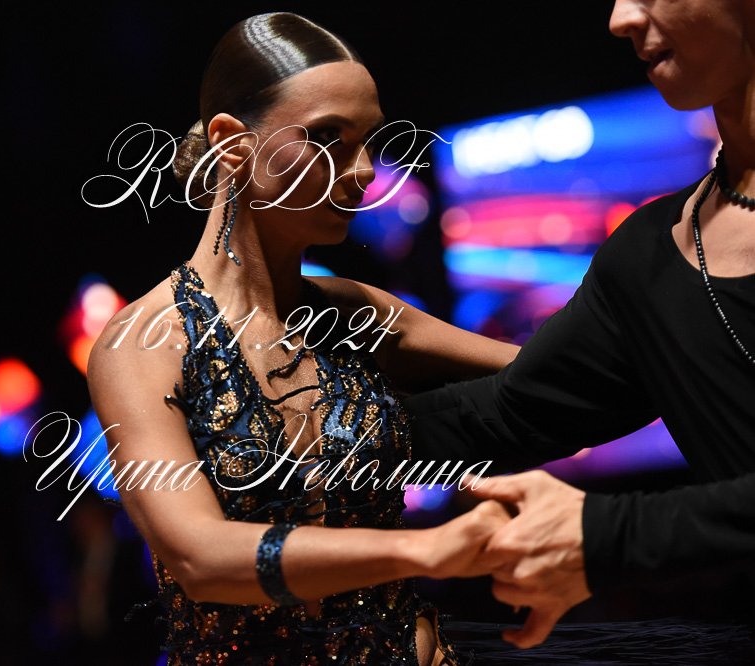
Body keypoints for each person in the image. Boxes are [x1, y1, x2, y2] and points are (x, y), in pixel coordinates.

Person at [86, 12, 523, 666]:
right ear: (233, 144)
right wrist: (425, 548)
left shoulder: (355, 312)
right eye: (328, 139)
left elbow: (555, 371)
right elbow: (199, 556)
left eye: (367, 141)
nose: (364, 171)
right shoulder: (143, 344)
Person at [402, 0, 755, 654]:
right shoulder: (649, 253)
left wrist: (606, 535)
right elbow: (506, 415)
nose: (621, 18)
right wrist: (274, 428)